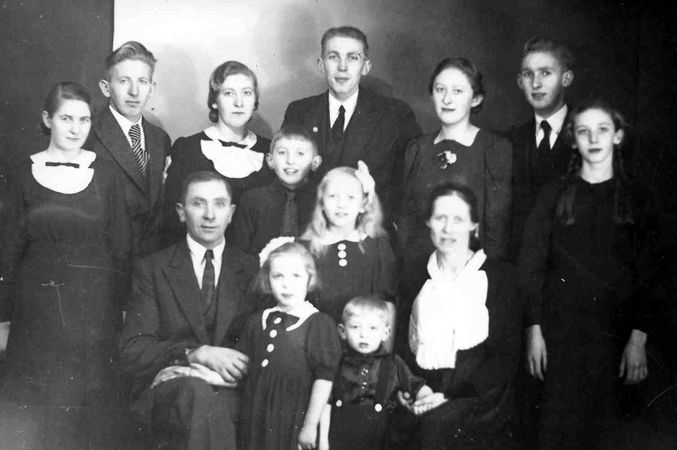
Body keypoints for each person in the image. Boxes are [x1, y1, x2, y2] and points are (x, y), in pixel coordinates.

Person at [0, 81, 131, 449]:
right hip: (36, 310)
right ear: (47, 120)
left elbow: (122, 248)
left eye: (84, 120)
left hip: (94, 310)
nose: (76, 129)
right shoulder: (22, 173)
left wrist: (120, 308)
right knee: (37, 409)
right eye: (66, 119)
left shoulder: (106, 175)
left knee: (90, 406)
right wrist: (3, 317)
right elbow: (8, 251)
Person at [519, 99, 651, 449]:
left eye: (602, 130)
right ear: (573, 140)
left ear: (618, 136)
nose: (593, 139)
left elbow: (651, 274)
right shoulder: (554, 194)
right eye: (583, 131)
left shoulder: (637, 198)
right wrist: (534, 329)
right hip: (560, 335)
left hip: (615, 338)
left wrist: (637, 340)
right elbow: (532, 265)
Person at [119, 171, 258, 450]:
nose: (210, 215)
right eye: (198, 203)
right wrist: (194, 354)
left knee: (217, 402)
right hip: (171, 390)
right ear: (181, 212)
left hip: (227, 387)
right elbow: (132, 350)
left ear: (231, 213)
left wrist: (214, 375)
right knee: (195, 394)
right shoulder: (153, 269)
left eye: (219, 204)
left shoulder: (253, 269)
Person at [399, 57, 512, 344]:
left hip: (469, 280)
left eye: (458, 91)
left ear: (476, 99)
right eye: (440, 89)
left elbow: (496, 225)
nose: (447, 99)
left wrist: (486, 284)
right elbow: (407, 222)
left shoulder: (493, 149)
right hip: (419, 275)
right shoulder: (417, 149)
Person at [405, 182, 521, 450]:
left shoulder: (499, 277)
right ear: (428, 222)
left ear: (474, 226)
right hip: (426, 389)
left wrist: (449, 397)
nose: (448, 229)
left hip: (480, 395)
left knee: (434, 430)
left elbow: (505, 358)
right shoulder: (415, 275)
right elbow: (404, 344)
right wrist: (412, 389)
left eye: (458, 219)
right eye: (440, 218)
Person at [282, 26, 421, 224]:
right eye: (333, 57)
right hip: (311, 231)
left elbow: (413, 185)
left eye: (353, 57)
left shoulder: (395, 114)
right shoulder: (299, 113)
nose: (343, 67)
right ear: (321, 65)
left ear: (366, 66)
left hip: (370, 233)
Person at [238, 240, 341, 450]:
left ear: (310, 279)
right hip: (257, 415)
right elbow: (241, 367)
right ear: (267, 280)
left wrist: (310, 426)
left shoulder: (318, 323)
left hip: (294, 418)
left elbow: (324, 380)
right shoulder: (257, 321)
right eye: (278, 276)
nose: (287, 284)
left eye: (296, 276)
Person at [164, 60, 274, 243]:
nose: (239, 103)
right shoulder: (187, 150)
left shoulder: (271, 152)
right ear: (215, 101)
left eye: (247, 93)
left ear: (255, 102)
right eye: (229, 93)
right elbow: (171, 224)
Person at [87, 40, 171, 259]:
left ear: (151, 88)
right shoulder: (89, 134)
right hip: (106, 261)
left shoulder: (160, 138)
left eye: (142, 81)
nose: (134, 92)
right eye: (124, 81)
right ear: (106, 87)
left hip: (151, 262)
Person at [328, 296, 433, 450]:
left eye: (373, 328)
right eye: (355, 327)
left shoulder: (393, 363)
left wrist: (425, 398)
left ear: (385, 333)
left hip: (380, 438)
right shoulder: (337, 362)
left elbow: (416, 386)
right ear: (342, 331)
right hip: (340, 436)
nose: (364, 334)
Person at [301, 162, 397, 327]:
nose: (341, 204)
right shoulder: (306, 248)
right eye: (333, 196)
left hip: (366, 340)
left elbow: (387, 305)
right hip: (318, 337)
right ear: (322, 203)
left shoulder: (377, 246)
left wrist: (384, 345)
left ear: (363, 205)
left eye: (350, 197)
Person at [509, 37, 575, 260]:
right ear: (520, 81)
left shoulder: (588, 136)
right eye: (528, 74)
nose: (536, 84)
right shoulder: (510, 141)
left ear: (566, 78)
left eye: (546, 73)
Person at [230, 125, 322, 256]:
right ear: (270, 160)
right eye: (282, 153)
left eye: (300, 154)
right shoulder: (253, 200)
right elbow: (240, 254)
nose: (290, 161)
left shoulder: (321, 201)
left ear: (315, 162)